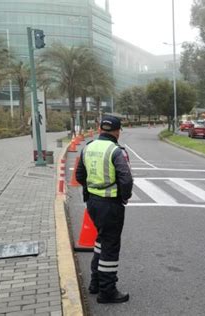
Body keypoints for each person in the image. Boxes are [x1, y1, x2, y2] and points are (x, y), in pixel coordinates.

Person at [76, 116, 133, 304]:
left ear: (100, 128)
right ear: (117, 131)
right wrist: (123, 198)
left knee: (101, 240)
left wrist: (88, 196)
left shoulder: (88, 147)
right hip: (110, 204)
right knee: (110, 246)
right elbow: (126, 179)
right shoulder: (116, 151)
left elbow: (79, 175)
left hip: (93, 203)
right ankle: (107, 291)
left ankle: (96, 283)